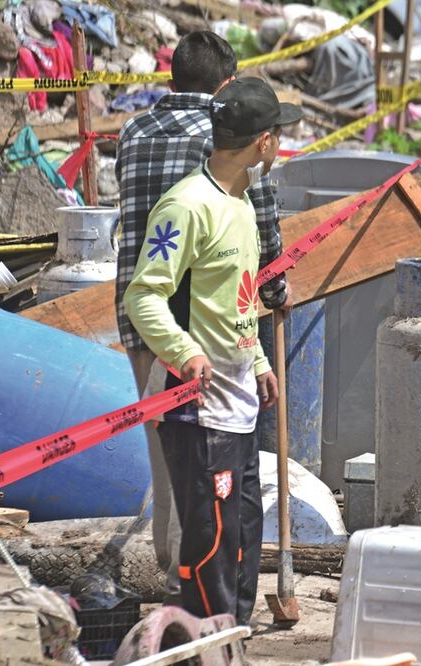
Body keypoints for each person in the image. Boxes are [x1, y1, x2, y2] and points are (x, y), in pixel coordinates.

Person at [114, 31, 290, 614]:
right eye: (278, 136)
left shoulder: (235, 201)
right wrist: (187, 355)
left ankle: (226, 631)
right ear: (263, 142)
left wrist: (260, 360)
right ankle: (197, 633)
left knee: (239, 530)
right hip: (195, 390)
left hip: (235, 391)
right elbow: (147, 295)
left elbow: (240, 295)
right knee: (207, 535)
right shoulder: (192, 203)